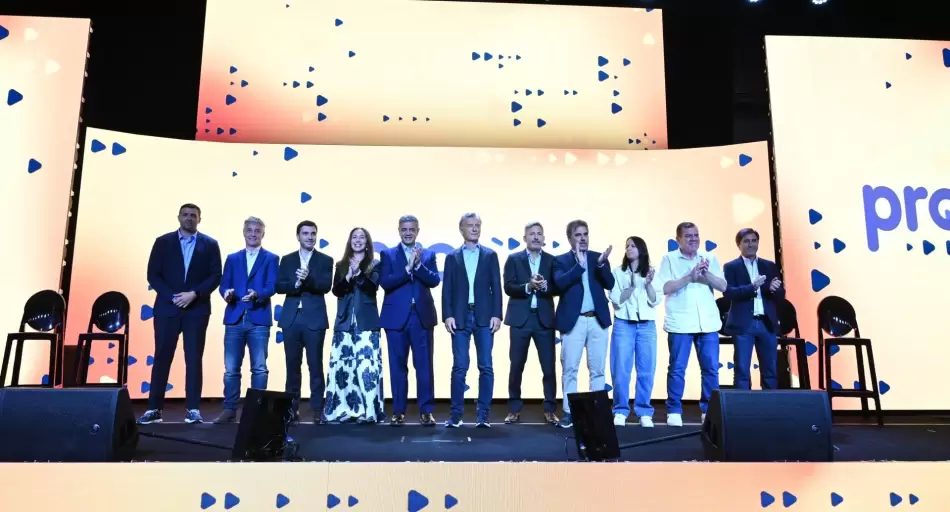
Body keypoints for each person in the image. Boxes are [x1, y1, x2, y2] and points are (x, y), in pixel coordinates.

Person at [139, 203, 222, 425]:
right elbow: (153, 274)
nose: (189, 218)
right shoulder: (163, 242)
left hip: (197, 309)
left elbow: (215, 275)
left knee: (194, 359)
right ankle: (154, 409)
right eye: (185, 214)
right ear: (178, 217)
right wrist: (173, 296)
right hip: (167, 308)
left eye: (193, 215)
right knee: (162, 357)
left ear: (199, 219)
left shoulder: (210, 244)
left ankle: (193, 409)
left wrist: (194, 294)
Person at [654, 222, 726, 427]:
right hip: (680, 324)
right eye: (688, 236)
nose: (693, 239)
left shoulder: (709, 258)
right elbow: (664, 288)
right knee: (677, 369)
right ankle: (674, 410)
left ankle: (709, 410)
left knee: (711, 369)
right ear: (678, 240)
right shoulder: (669, 259)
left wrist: (706, 274)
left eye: (696, 235)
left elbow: (723, 286)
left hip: (707, 323)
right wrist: (689, 277)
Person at [213, 217, 279, 424]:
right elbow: (223, 284)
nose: (253, 234)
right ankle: (229, 409)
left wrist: (257, 294)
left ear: (263, 234)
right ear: (243, 232)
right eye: (249, 230)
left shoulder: (271, 258)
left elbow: (272, 286)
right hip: (234, 317)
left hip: (258, 318)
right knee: (231, 369)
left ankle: (256, 411)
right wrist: (226, 293)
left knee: (259, 368)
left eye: (257, 231)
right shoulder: (233, 258)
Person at [378, 215, 440, 426]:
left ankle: (426, 411)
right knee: (397, 366)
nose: (408, 233)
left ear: (417, 231)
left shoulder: (428, 254)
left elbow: (434, 280)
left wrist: (418, 265)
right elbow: (385, 282)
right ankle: (398, 411)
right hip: (395, 318)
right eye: (404, 229)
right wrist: (407, 269)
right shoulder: (388, 254)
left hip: (421, 317)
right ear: (399, 230)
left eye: (412, 229)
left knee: (424, 366)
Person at [442, 213, 502, 428]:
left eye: (478, 225)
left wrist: (497, 314)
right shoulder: (452, 257)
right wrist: (447, 315)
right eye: (470, 225)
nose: (475, 228)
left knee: (486, 366)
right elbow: (447, 289)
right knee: (459, 367)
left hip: (484, 316)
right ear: (462, 229)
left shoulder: (490, 255)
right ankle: (456, 415)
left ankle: (483, 415)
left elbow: (496, 286)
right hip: (460, 317)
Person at [552, 220, 614, 429]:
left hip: (597, 320)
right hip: (574, 321)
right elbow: (560, 283)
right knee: (570, 369)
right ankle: (569, 412)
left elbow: (610, 283)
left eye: (585, 234)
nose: (583, 238)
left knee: (598, 370)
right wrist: (579, 266)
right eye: (578, 235)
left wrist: (601, 265)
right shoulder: (560, 260)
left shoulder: (598, 258)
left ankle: (598, 413)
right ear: (569, 238)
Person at [324, 227, 386, 423]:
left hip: (367, 322)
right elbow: (337, 291)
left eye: (362, 237)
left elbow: (372, 288)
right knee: (344, 369)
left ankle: (369, 411)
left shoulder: (375, 264)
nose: (358, 240)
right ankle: (346, 410)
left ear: (367, 242)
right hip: (344, 323)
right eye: (354, 237)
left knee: (367, 368)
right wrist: (348, 275)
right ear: (350, 241)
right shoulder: (341, 264)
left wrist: (358, 273)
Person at [276, 221, 333, 423]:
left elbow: (325, 286)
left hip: (314, 319)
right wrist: (296, 283)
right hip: (291, 319)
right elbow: (279, 286)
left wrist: (307, 279)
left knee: (315, 365)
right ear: (298, 236)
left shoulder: (325, 260)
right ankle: (291, 410)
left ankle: (317, 409)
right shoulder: (287, 259)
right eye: (306, 233)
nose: (310, 237)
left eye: (313, 233)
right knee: (292, 366)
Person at [503, 222, 558, 425]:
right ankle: (514, 409)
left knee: (549, 368)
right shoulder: (513, 259)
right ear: (524, 238)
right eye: (532, 234)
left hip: (544, 320)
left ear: (544, 238)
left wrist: (545, 287)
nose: (535, 237)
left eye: (539, 234)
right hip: (520, 321)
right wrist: (528, 286)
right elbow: (508, 287)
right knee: (516, 365)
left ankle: (550, 409)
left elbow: (558, 287)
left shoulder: (552, 260)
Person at [722, 228, 784, 390]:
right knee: (742, 370)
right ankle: (743, 405)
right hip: (744, 325)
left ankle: (770, 404)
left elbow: (781, 295)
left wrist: (773, 290)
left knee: (770, 370)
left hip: (766, 323)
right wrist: (752, 287)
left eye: (754, 241)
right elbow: (728, 293)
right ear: (739, 244)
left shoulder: (769, 266)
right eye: (746, 241)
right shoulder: (731, 267)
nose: (751, 244)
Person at [608, 236, 659, 427]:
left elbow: (655, 300)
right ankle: (620, 410)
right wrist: (631, 286)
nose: (629, 248)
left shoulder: (652, 272)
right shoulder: (618, 272)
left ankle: (644, 411)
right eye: (627, 246)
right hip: (624, 324)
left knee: (646, 370)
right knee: (621, 369)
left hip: (647, 325)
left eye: (633, 246)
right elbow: (616, 300)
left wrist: (648, 284)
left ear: (641, 249)